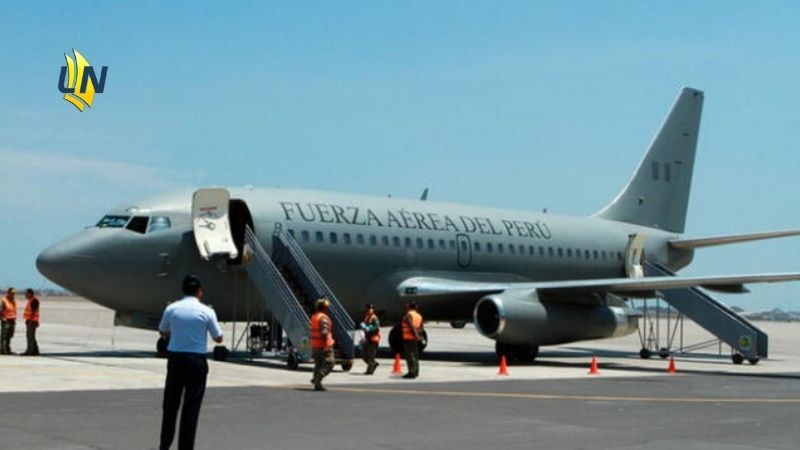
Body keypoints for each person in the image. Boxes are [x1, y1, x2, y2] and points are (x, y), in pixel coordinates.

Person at [158, 275, 223, 450]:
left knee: (170, 405)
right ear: (199, 292)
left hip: (175, 359)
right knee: (191, 408)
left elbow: (163, 330)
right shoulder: (207, 311)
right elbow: (218, 338)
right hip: (196, 361)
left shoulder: (172, 308)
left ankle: (164, 445)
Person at [310, 297, 335, 391]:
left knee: (318, 364)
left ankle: (317, 383)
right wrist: (326, 346)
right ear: (325, 308)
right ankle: (317, 379)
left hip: (315, 345)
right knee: (330, 363)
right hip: (323, 345)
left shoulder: (314, 317)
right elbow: (324, 332)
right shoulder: (323, 318)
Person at [401, 302, 424, 379]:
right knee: (415, 355)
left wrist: (415, 334)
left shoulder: (409, 315)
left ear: (409, 307)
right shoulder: (419, 316)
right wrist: (419, 337)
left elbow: (411, 326)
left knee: (410, 355)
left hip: (409, 338)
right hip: (415, 339)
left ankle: (411, 372)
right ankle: (416, 371)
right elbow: (421, 328)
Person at [359, 303, 380, 375]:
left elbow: (376, 326)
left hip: (373, 339)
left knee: (371, 356)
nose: (370, 310)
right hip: (367, 338)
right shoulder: (367, 317)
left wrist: (369, 328)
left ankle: (370, 370)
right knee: (364, 355)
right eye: (368, 309)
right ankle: (373, 364)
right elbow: (365, 328)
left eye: (371, 309)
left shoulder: (374, 318)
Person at [22, 289, 40, 356]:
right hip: (30, 321)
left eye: (26, 294)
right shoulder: (30, 301)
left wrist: (30, 321)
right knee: (32, 337)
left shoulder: (34, 300)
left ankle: (30, 351)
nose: (25, 295)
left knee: (30, 337)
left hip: (32, 321)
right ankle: (35, 351)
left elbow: (33, 312)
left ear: (30, 294)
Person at [1, 288, 17, 355]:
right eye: (12, 293)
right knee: (4, 336)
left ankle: (7, 349)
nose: (13, 295)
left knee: (10, 335)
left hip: (12, 320)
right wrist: (2, 318)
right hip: (6, 320)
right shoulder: (3, 300)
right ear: (8, 293)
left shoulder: (13, 300)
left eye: (14, 293)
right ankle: (3, 350)